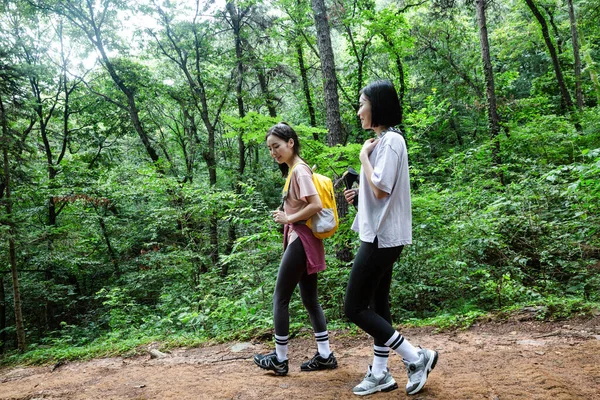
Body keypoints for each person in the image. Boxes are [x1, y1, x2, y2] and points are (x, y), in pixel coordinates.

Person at [343, 80, 438, 396]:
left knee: (354, 307)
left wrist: (363, 158)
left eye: (362, 103)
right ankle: (381, 372)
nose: (358, 112)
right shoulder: (382, 142)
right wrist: (358, 197)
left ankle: (415, 357)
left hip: (382, 238)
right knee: (378, 305)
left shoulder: (392, 141)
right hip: (377, 234)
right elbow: (379, 193)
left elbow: (382, 187)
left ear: (377, 105)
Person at [253, 122, 338, 376]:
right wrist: (288, 213)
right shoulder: (296, 170)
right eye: (270, 149)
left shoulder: (299, 171)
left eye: (276, 146)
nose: (273, 153)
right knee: (310, 299)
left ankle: (280, 359)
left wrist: (287, 219)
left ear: (291, 143)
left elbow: (314, 205)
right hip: (306, 239)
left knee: (280, 298)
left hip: (301, 240)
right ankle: (325, 355)